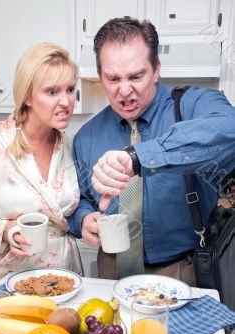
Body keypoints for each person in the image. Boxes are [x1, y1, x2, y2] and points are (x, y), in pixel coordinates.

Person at [68, 17, 235, 285]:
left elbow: (230, 129)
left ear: (156, 69)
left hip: (182, 271)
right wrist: (83, 219)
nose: (124, 91)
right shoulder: (86, 136)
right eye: (113, 79)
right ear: (100, 76)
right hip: (110, 271)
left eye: (136, 76)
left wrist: (138, 157)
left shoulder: (191, 105)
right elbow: (80, 200)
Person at [0, 42, 83, 295]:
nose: (66, 101)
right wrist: (5, 230)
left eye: (70, 89)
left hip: (63, 279)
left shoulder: (69, 146)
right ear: (28, 96)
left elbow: (71, 211)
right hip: (2, 281)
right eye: (52, 91)